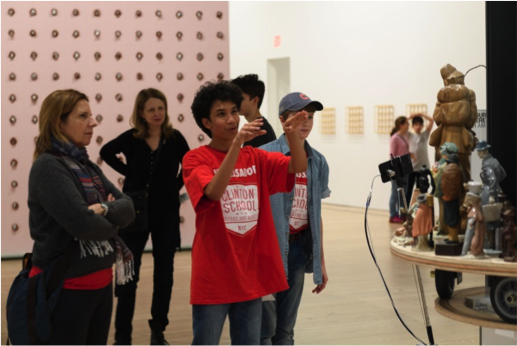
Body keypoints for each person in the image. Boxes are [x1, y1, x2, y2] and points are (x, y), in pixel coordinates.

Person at [183, 81, 308, 346]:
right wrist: (237, 144)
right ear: (206, 122)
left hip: (250, 277)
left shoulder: (256, 157)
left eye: (233, 112)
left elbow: (298, 165)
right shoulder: (196, 159)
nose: (231, 120)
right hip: (213, 277)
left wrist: (292, 135)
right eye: (221, 114)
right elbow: (214, 193)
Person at [28, 89, 135, 345]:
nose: (93, 122)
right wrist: (110, 220)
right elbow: (84, 224)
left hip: (100, 283)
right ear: (58, 123)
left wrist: (103, 209)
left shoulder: (89, 166)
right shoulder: (48, 167)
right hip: (65, 288)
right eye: (83, 116)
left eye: (92, 114)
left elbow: (128, 208)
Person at [100, 88, 190, 346]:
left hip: (167, 212)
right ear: (141, 112)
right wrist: (128, 173)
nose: (157, 113)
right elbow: (106, 151)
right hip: (133, 212)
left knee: (165, 274)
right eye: (151, 109)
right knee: (128, 274)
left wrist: (175, 186)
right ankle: (122, 337)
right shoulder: (131, 138)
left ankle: (158, 331)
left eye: (160, 108)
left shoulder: (175, 138)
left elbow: (190, 163)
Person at [260, 92, 330, 345]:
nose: (306, 122)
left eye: (310, 116)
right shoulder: (264, 156)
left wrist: (320, 259)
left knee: (286, 328)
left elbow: (316, 215)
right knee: (265, 328)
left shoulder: (318, 161)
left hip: (299, 249)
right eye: (299, 116)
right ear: (282, 120)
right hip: (270, 250)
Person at [231, 74, 277, 147]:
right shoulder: (261, 126)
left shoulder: (257, 130)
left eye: (240, 98)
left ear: (255, 101)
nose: (236, 102)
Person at [406, 113, 434, 205]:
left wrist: (421, 114)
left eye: (420, 124)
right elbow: (403, 124)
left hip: (423, 169)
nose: (418, 126)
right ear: (413, 126)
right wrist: (411, 116)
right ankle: (406, 212)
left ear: (422, 125)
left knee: (421, 191)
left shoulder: (425, 135)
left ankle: (420, 211)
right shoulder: (409, 135)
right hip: (412, 168)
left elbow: (431, 120)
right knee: (408, 191)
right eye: (416, 124)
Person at [389, 116, 410, 223]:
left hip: (405, 168)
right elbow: (392, 155)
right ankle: (393, 214)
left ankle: (401, 213)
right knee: (395, 192)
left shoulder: (405, 136)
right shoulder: (395, 138)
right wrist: (395, 169)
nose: (408, 125)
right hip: (397, 168)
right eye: (406, 123)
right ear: (401, 125)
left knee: (403, 193)